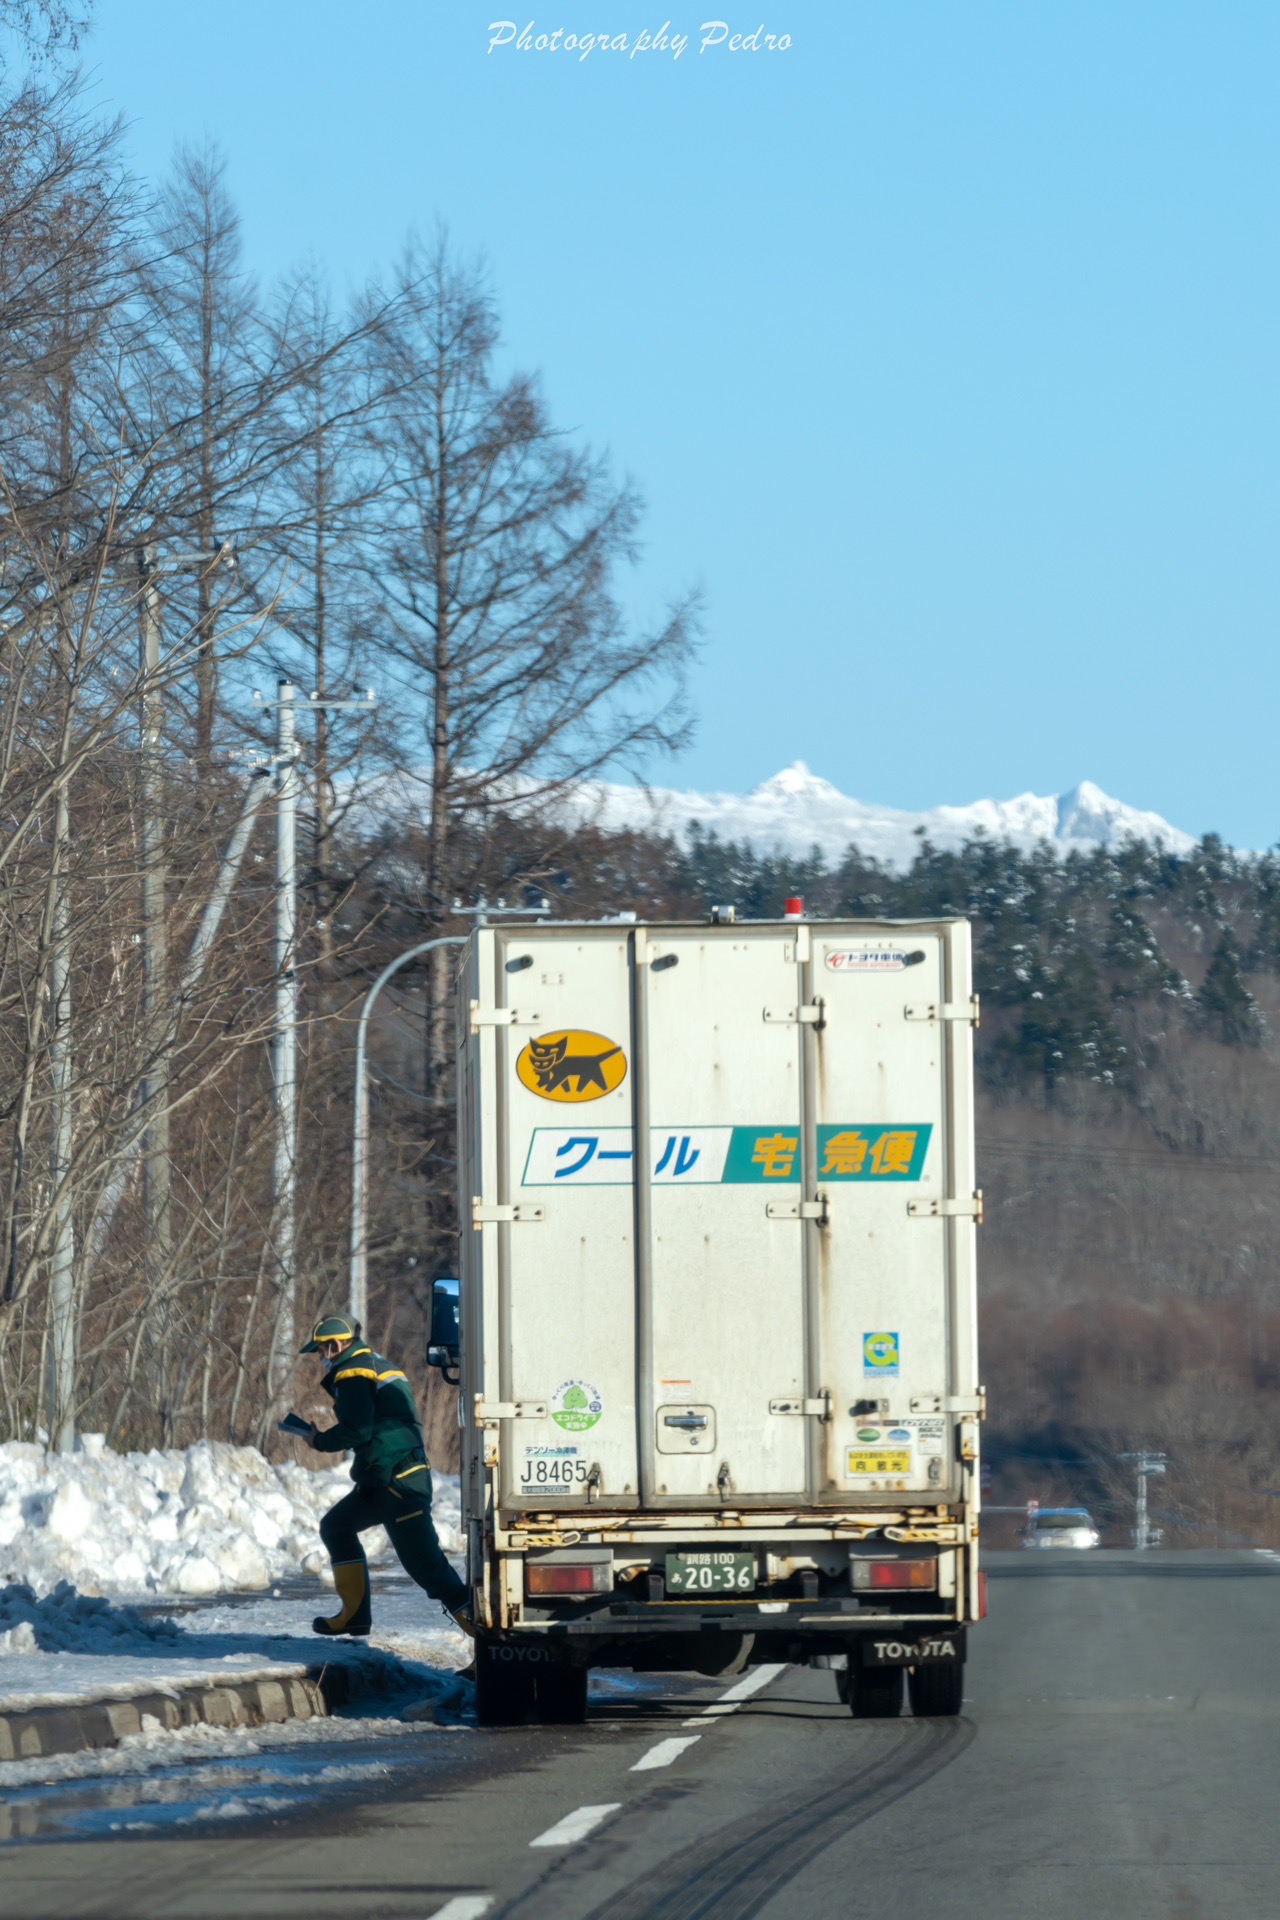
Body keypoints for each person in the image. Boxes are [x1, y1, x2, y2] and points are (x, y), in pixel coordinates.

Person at [292, 1313, 473, 1640]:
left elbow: (357, 1429)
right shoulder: (373, 1364)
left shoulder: (353, 1372)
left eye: (321, 1351)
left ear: (336, 1345)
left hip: (400, 1482)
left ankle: (487, 1643)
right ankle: (354, 1617)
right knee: (336, 1525)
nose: (320, 1359)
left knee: (426, 1566)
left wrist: (319, 1440)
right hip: (383, 1477)